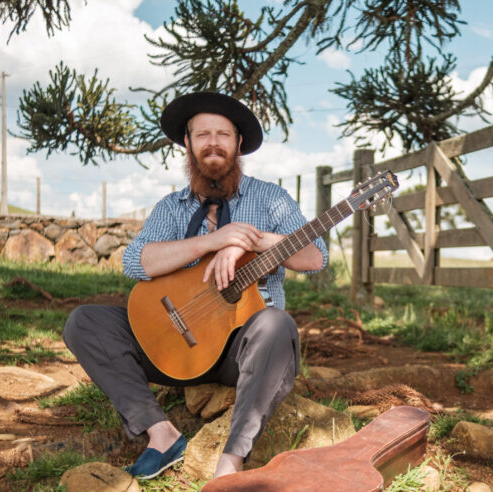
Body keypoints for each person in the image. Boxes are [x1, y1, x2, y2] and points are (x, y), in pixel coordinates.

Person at [62, 91, 328, 480]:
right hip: (172, 343)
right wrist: (212, 241)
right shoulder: (173, 207)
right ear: (187, 144)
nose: (213, 142)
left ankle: (230, 462)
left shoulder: (271, 199)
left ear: (238, 144)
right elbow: (135, 261)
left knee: (277, 324)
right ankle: (161, 434)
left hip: (240, 354)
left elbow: (314, 257)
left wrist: (245, 240)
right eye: (203, 134)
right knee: (84, 322)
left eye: (223, 133)